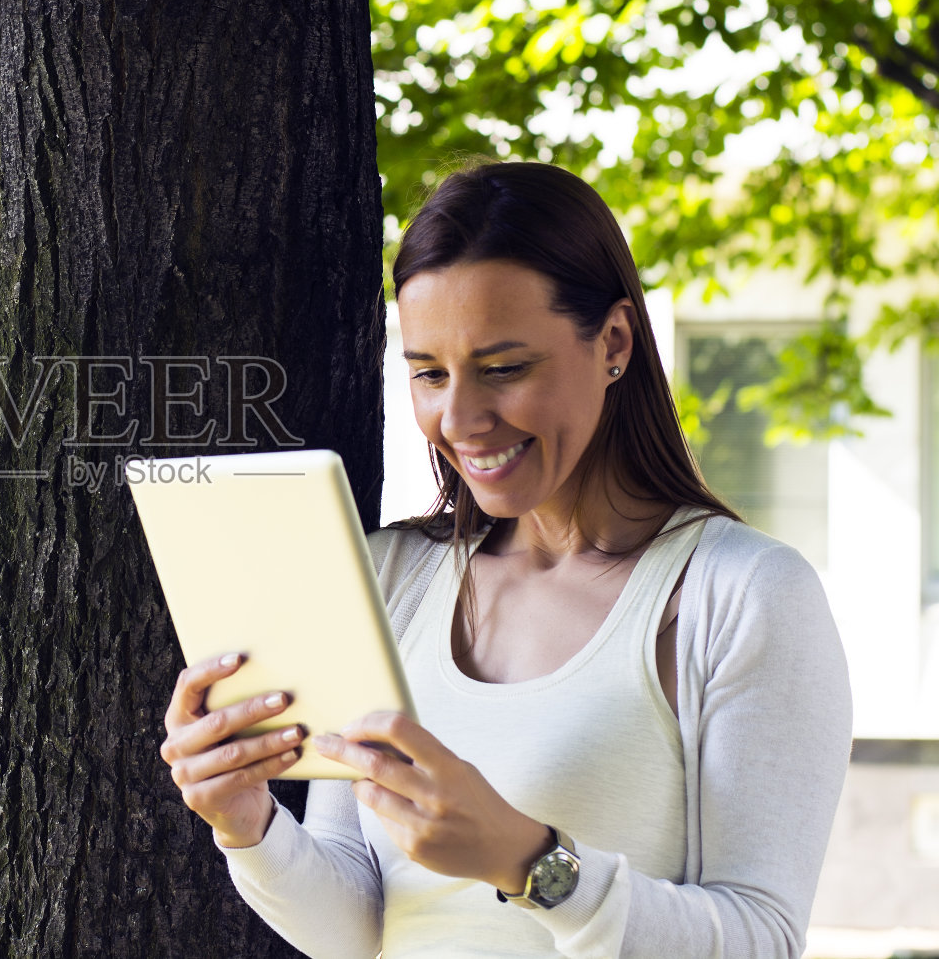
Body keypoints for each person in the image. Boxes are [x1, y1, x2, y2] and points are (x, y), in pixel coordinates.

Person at [159, 161, 853, 958]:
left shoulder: (741, 595)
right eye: (428, 373)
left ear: (614, 342)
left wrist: (527, 861)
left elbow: (762, 940)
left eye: (504, 368)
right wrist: (247, 825)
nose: (459, 419)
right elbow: (360, 931)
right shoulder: (392, 577)